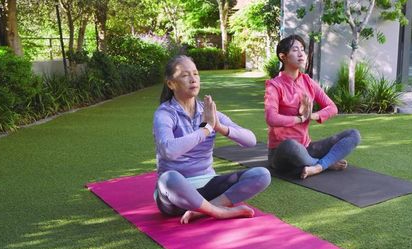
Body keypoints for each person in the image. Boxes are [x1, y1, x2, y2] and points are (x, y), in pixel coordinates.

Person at [153, 55, 271, 224]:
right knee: (168, 179)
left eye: (196, 74)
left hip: (209, 185)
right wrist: (206, 129)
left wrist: (219, 127)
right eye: (185, 75)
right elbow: (168, 151)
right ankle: (218, 212)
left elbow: (250, 140)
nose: (193, 79)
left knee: (262, 174)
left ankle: (205, 209)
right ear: (171, 83)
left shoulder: (208, 111)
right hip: (176, 196)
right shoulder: (164, 114)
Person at [265, 35, 361, 179]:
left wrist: (312, 116)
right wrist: (300, 118)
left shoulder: (307, 81)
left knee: (353, 135)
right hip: (281, 152)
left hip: (306, 148)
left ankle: (317, 167)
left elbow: (332, 107)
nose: (300, 54)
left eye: (302, 50)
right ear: (283, 56)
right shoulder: (274, 85)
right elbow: (271, 118)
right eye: (295, 50)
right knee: (290, 145)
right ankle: (326, 164)